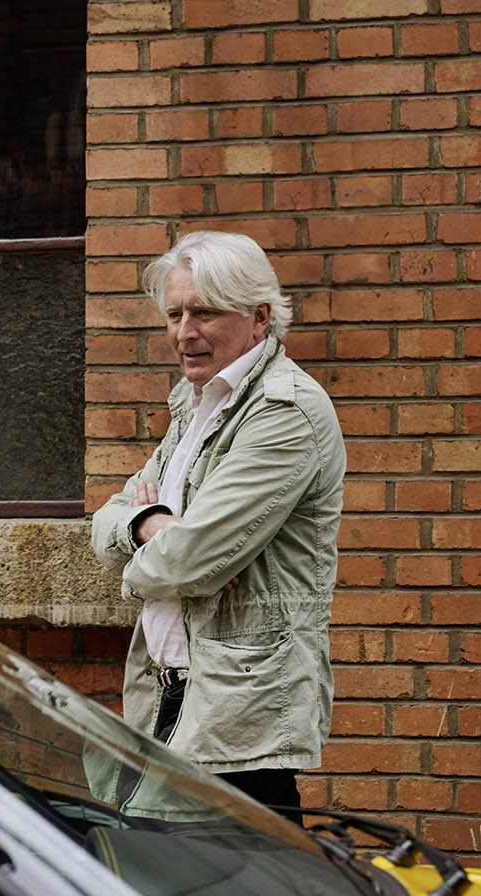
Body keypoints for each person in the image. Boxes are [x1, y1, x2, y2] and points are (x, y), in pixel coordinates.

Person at [90, 230, 344, 814]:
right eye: (175, 313)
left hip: (240, 719)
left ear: (259, 318)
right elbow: (106, 523)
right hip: (172, 695)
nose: (184, 332)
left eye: (204, 312)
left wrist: (152, 542)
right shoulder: (198, 401)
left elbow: (186, 562)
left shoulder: (284, 410)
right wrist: (152, 524)